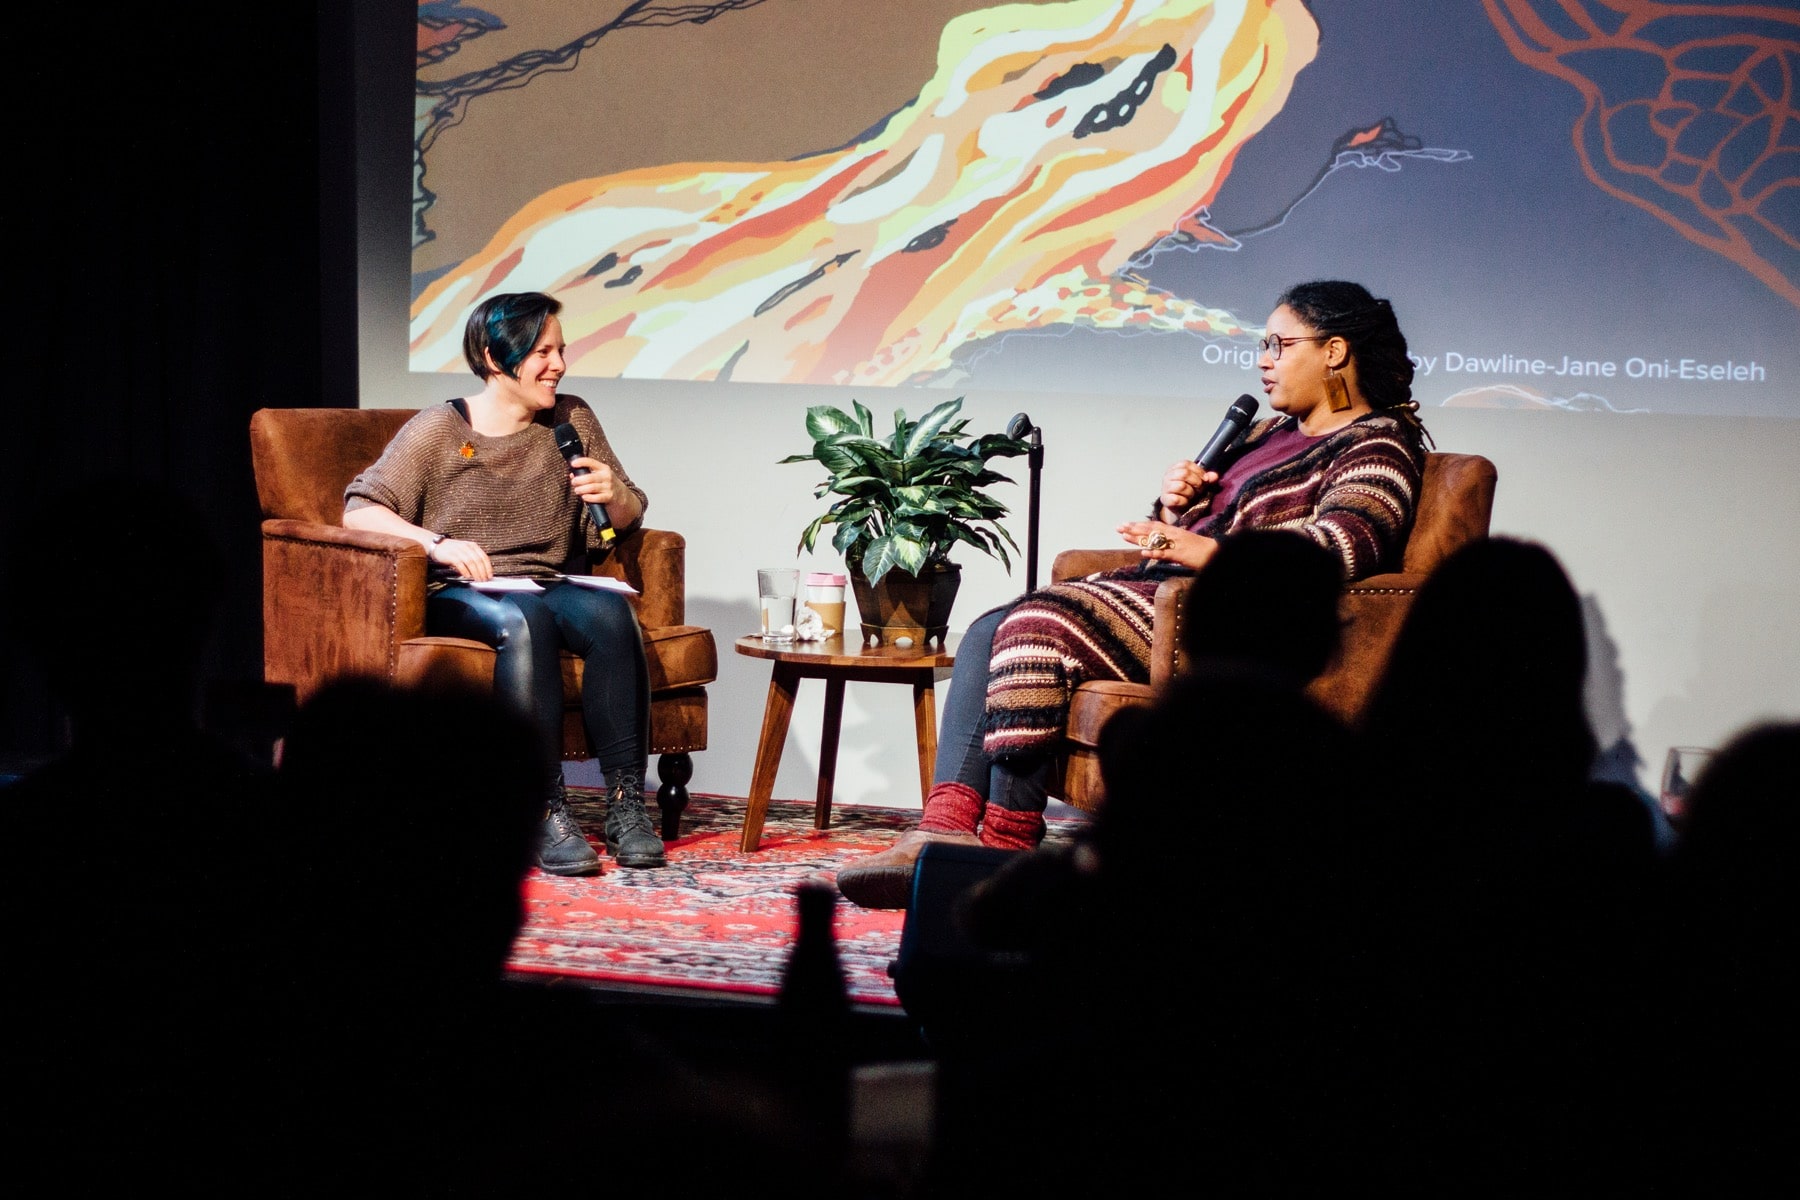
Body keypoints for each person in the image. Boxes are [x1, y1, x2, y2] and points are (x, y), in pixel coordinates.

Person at [835, 279, 1431, 909]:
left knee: (1037, 626)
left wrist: (1195, 548)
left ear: (1335, 351)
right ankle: (943, 829)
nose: (1264, 360)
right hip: (1164, 594)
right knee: (989, 627)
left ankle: (1006, 845)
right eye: (1264, 345)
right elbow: (1187, 536)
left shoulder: (1377, 442)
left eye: (1280, 345)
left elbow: (1342, 545)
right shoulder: (1261, 436)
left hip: (1223, 618)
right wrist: (1176, 510)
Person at [342, 290, 665, 872]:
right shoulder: (439, 429)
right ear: (495, 358)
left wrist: (617, 496)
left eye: (560, 350)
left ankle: (626, 806)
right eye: (543, 353)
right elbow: (360, 510)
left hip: (547, 579)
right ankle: (541, 805)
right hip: (463, 589)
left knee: (612, 615)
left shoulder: (571, 419)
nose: (559, 365)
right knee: (525, 620)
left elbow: (625, 512)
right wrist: (436, 543)